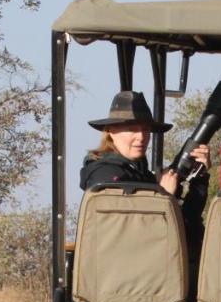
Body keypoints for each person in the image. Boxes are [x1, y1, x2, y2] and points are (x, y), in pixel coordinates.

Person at [79, 90, 210, 245]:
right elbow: (129, 235)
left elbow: (186, 224)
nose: (141, 137)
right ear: (112, 131)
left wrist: (199, 177)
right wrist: (164, 196)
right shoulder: (104, 176)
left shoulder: (143, 175)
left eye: (146, 130)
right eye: (132, 129)